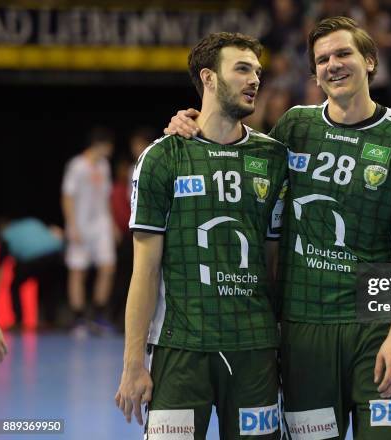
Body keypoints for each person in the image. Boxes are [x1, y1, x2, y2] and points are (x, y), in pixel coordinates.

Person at [166, 16, 391, 439]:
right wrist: (191, 124)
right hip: (303, 330)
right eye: (323, 59)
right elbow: (234, 146)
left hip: (375, 327)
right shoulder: (295, 127)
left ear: (369, 61)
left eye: (343, 53)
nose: (333, 64)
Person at [115, 32, 288, 440]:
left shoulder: (274, 158)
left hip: (254, 348)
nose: (255, 80)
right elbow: (145, 270)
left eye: (258, 72)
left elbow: (275, 261)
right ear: (208, 78)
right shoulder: (163, 157)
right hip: (181, 347)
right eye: (242, 69)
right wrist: (133, 364)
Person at [61, 126, 117, 335]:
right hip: (80, 225)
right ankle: (78, 319)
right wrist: (72, 226)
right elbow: (67, 197)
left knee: (108, 268)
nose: (110, 150)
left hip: (100, 224)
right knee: (78, 271)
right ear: (100, 144)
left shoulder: (104, 166)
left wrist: (111, 224)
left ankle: (99, 315)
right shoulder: (77, 166)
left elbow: (106, 197)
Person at [0, 217, 65, 328]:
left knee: (15, 286)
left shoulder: (6, 235)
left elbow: (0, 268)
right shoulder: (31, 222)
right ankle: (51, 320)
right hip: (55, 255)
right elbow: (55, 233)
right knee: (51, 286)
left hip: (33, 259)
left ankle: (19, 320)